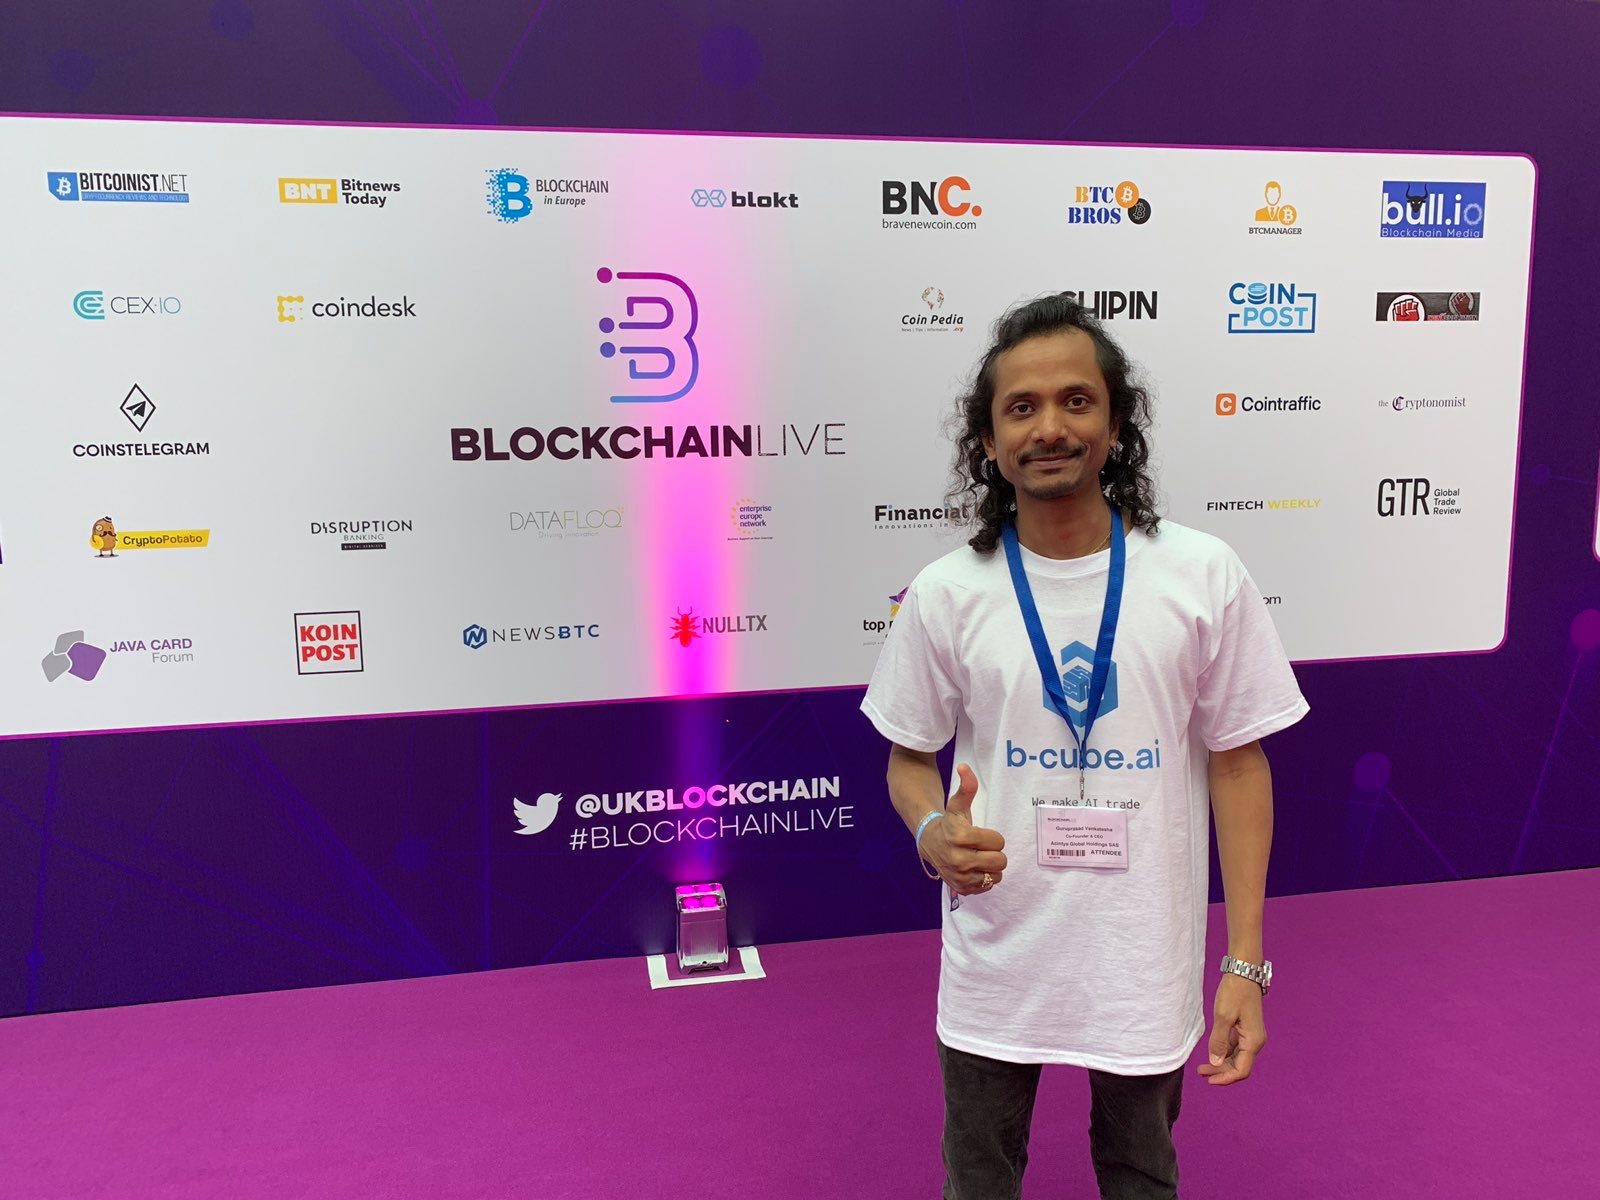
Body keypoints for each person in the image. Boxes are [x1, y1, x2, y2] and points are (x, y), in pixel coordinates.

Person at [861, 294, 1308, 1199]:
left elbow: (1238, 763)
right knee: (978, 1181)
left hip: (1140, 959)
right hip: (995, 954)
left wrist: (1244, 964)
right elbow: (910, 758)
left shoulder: (1201, 573)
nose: (1050, 427)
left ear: (1116, 424)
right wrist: (931, 832)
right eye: (1021, 408)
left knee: (1142, 1176)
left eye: (1076, 400)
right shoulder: (947, 592)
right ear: (989, 442)